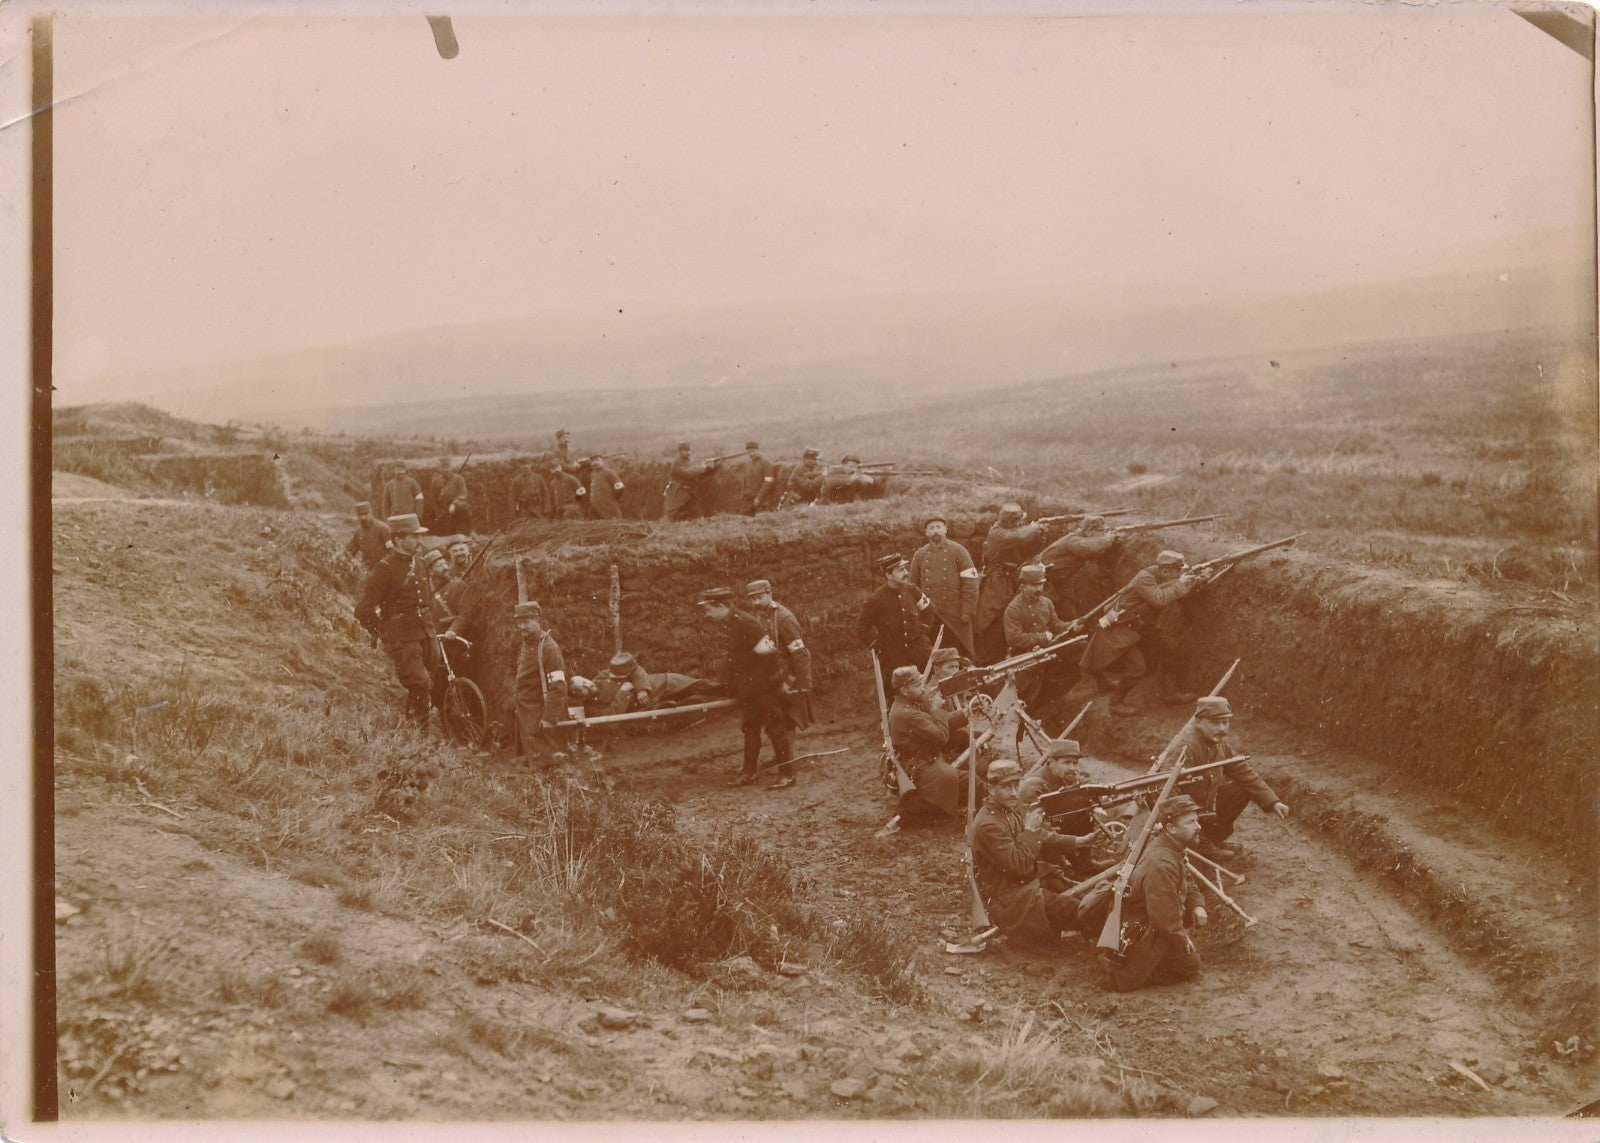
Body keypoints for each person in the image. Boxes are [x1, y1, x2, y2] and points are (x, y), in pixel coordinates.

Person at [967, 758, 1095, 946]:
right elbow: (1020, 865)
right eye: (1006, 787)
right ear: (990, 788)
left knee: (1081, 897)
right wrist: (1030, 829)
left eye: (1016, 785)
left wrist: (1076, 841)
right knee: (1085, 910)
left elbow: (1039, 835)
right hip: (1007, 899)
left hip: (1020, 886)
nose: (1014, 793)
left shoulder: (1005, 811)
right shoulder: (988, 825)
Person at [1157, 696, 1289, 862]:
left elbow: (1244, 772)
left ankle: (1213, 840)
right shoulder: (1187, 747)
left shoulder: (1220, 745)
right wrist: (1181, 821)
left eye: (1225, 723)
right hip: (1186, 815)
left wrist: (1273, 801)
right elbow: (1167, 791)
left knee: (1240, 789)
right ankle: (1202, 845)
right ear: (1198, 721)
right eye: (1215, 723)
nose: (1222, 728)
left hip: (1204, 811)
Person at [1079, 550, 1207, 715]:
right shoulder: (1144, 578)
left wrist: (1199, 580)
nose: (1180, 574)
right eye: (1177, 571)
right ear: (1165, 571)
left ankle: (1170, 694)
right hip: (1122, 628)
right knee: (1137, 668)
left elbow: (1176, 588)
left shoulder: (1163, 576)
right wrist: (1182, 583)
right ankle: (1115, 704)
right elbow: (1159, 599)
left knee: (1170, 648)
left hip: (1142, 626)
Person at [697, 587, 798, 790]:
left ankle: (787, 775)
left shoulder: (745, 623)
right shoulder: (730, 624)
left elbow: (769, 653)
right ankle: (749, 773)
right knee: (750, 728)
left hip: (763, 687)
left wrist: (774, 683)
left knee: (775, 728)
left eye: (709, 609)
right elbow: (735, 658)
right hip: (748, 689)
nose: (706, 614)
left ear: (720, 605)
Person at [1105, 795, 1207, 992]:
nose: (1198, 826)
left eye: (1197, 820)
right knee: (1191, 966)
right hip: (1141, 927)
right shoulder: (1161, 863)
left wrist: (1197, 905)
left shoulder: (1171, 846)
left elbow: (1186, 877)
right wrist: (1183, 940)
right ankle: (1137, 971)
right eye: (1190, 822)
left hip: (1150, 914)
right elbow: (1164, 919)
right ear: (1171, 828)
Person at [354, 514, 435, 728]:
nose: (420, 541)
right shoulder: (384, 568)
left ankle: (415, 725)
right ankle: (421, 733)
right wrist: (382, 631)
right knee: (419, 682)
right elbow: (363, 610)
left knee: (427, 682)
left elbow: (427, 599)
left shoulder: (420, 563)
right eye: (414, 537)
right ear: (398, 540)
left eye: (420, 536)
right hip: (402, 637)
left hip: (426, 632)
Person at [887, 664, 970, 819]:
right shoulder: (907, 714)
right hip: (922, 768)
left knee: (972, 780)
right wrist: (935, 709)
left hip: (926, 760)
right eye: (917, 686)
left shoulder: (908, 705)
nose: (923, 689)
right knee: (971, 783)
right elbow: (940, 737)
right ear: (904, 690)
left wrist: (967, 713)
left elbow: (936, 723)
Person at [974, 503, 1050, 663]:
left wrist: (1040, 535)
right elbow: (1017, 537)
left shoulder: (1015, 531)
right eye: (1018, 521)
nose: (1021, 523)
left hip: (1011, 582)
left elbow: (1028, 550)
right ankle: (985, 662)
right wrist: (1034, 528)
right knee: (991, 622)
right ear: (1010, 522)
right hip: (996, 585)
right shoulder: (997, 533)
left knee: (1009, 624)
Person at [1003, 564, 1080, 713]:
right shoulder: (1013, 609)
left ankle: (1056, 700)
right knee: (1028, 691)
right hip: (1025, 655)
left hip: (1049, 649)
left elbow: (1056, 625)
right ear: (1022, 586)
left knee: (1081, 648)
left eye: (1041, 584)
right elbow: (1014, 638)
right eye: (1033, 585)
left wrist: (1071, 625)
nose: (1039, 589)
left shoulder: (1047, 602)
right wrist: (1042, 637)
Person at [744, 579, 814, 732]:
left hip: (786, 678)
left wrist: (797, 683)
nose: (756, 602)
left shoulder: (784, 618)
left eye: (759, 597)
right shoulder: (758, 616)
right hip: (768, 677)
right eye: (752, 599)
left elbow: (800, 654)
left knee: (785, 723)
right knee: (772, 724)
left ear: (769, 593)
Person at [909, 515, 980, 660]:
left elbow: (971, 582)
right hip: (929, 614)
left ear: (945, 529)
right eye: (931, 528)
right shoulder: (920, 554)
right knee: (933, 655)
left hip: (954, 613)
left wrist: (968, 610)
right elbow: (912, 587)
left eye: (938, 527)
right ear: (926, 532)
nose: (935, 530)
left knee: (958, 654)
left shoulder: (958, 551)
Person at [856, 554, 936, 675]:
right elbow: (862, 628)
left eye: (905, 569)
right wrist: (879, 647)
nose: (906, 573)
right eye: (900, 570)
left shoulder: (912, 590)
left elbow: (928, 610)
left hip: (921, 654)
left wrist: (924, 629)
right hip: (894, 660)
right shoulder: (875, 599)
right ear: (888, 575)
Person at [513, 600, 570, 767]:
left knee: (552, 762)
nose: (521, 627)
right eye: (518, 622)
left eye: (526, 622)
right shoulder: (526, 643)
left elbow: (558, 686)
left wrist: (549, 718)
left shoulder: (549, 648)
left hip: (541, 715)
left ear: (537, 620)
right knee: (533, 762)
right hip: (526, 713)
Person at [1039, 514, 1123, 616]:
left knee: (1069, 612)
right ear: (1088, 532)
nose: (1103, 534)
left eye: (1105, 531)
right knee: (1049, 613)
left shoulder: (1081, 539)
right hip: (1042, 580)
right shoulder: (1073, 540)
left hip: (1059, 581)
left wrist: (1115, 541)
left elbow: (1096, 552)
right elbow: (1090, 547)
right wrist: (1109, 538)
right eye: (1101, 531)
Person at [663, 442, 722, 522]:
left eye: (689, 450)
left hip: (688, 490)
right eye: (685, 450)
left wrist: (712, 467)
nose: (688, 452)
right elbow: (687, 473)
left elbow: (696, 473)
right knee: (676, 511)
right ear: (680, 452)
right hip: (678, 491)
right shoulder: (677, 462)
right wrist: (702, 467)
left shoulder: (689, 461)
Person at [343, 502, 391, 569]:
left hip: (382, 569)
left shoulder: (383, 528)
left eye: (365, 514)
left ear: (371, 513)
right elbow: (349, 551)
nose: (363, 517)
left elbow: (391, 551)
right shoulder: (358, 532)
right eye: (360, 515)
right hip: (366, 569)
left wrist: (382, 564)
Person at [430, 459, 471, 535]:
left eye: (447, 467)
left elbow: (463, 494)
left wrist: (454, 504)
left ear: (451, 467)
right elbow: (432, 499)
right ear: (439, 468)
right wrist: (438, 512)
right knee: (445, 533)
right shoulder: (435, 481)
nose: (445, 469)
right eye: (443, 467)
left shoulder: (459, 479)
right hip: (443, 510)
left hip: (457, 508)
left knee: (463, 511)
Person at [739, 442, 777, 515]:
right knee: (744, 519)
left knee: (760, 519)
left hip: (762, 500)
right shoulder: (749, 464)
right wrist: (743, 494)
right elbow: (745, 480)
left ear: (758, 450)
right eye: (749, 452)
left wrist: (759, 498)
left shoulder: (766, 463)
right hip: (748, 500)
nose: (751, 454)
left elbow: (768, 482)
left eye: (753, 451)